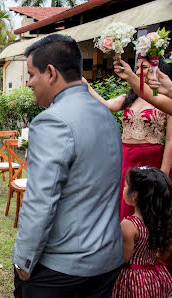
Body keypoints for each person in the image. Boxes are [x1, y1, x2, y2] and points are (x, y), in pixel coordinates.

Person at [13, 34, 123, 297]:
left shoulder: (51, 121)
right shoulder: (105, 114)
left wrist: (24, 262)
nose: (28, 83)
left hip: (62, 268)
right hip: (106, 260)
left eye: (30, 74)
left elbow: (41, 200)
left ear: (50, 73)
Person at [85, 57, 172, 221]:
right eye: (137, 68)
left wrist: (164, 174)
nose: (139, 72)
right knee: (124, 205)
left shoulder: (165, 101)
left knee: (148, 207)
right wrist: (86, 85)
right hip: (126, 158)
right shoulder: (129, 98)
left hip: (150, 159)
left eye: (144, 67)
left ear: (157, 70)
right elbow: (107, 106)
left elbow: (170, 140)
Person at [112, 166, 172, 297]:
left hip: (134, 282)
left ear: (135, 195)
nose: (123, 188)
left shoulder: (129, 226)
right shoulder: (162, 222)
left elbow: (123, 259)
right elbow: (164, 255)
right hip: (155, 278)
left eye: (126, 185)